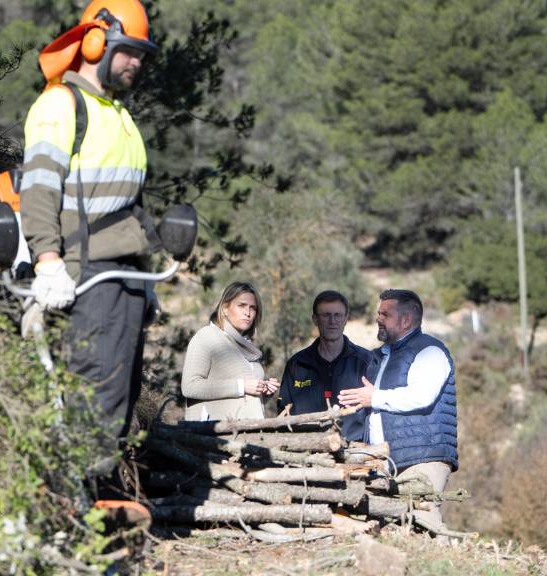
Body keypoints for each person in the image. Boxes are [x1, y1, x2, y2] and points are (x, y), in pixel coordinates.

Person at [19, 0, 161, 497]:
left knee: (120, 397)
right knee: (93, 394)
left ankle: (103, 510)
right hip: (87, 274)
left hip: (125, 275)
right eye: (129, 52)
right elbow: (39, 187)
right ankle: (76, 514)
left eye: (142, 55)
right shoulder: (62, 105)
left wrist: (146, 279)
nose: (137, 63)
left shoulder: (117, 115)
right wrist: (48, 259)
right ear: (96, 42)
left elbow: (130, 206)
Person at [338, 289, 458, 532]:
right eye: (378, 313)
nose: (378, 319)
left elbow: (421, 396)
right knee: (389, 528)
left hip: (421, 458)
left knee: (422, 522)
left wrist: (374, 397)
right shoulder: (380, 357)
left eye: (385, 314)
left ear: (406, 320)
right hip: (384, 460)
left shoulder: (430, 351)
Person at [277, 290, 372, 440]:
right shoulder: (297, 364)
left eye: (338, 315)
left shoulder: (366, 361)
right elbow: (283, 413)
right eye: (326, 315)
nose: (332, 321)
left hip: (355, 452)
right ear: (315, 319)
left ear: (346, 318)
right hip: (307, 453)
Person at [181, 282, 279, 421]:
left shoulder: (248, 347)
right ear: (225, 308)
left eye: (253, 308)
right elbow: (189, 387)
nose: (248, 312)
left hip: (251, 433)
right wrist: (241, 386)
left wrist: (264, 392)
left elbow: (243, 401)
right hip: (217, 436)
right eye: (241, 306)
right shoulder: (206, 336)